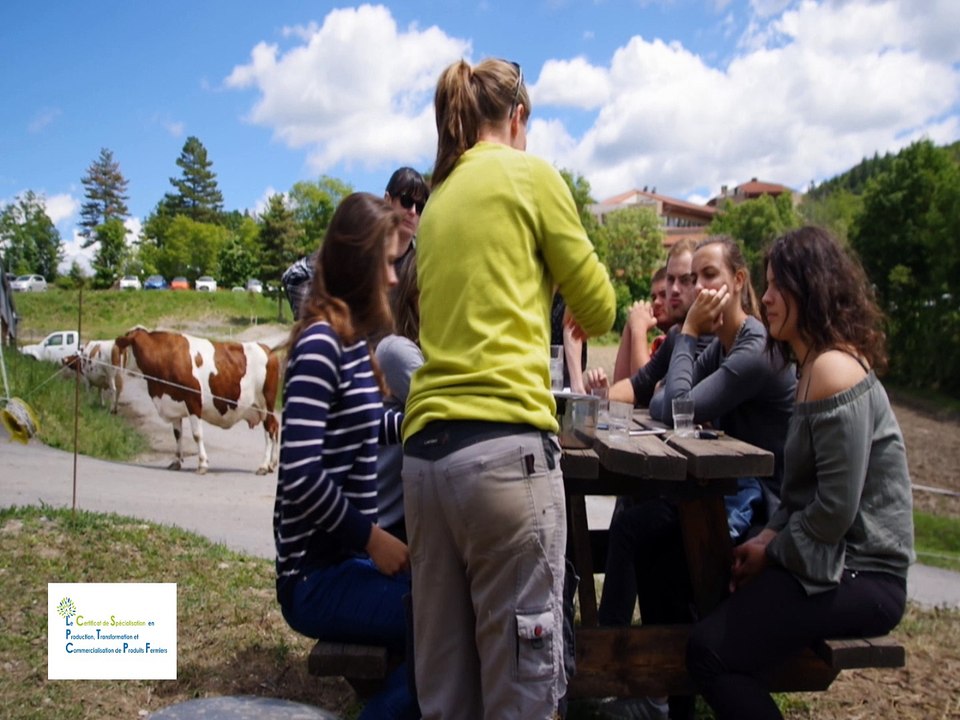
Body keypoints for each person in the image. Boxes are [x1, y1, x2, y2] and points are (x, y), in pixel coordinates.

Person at [401, 58, 616, 719]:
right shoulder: (532, 175)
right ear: (519, 117)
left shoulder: (437, 201)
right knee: (521, 694)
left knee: (446, 691)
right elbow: (601, 308)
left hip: (426, 464)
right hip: (504, 460)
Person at [686, 226, 915, 720]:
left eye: (776, 286)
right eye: (765, 284)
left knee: (709, 652)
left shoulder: (834, 369)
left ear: (809, 289)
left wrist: (772, 554)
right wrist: (767, 538)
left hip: (865, 576)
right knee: (708, 606)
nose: (764, 298)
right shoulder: (809, 366)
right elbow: (798, 495)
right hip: (832, 563)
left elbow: (833, 510)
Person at [595, 236, 796, 720]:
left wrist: (685, 332)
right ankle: (655, 689)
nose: (699, 286)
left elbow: (675, 410)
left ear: (738, 282)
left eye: (710, 276)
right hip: (726, 493)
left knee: (648, 533)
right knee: (638, 526)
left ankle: (658, 690)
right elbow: (665, 404)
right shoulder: (726, 345)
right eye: (693, 277)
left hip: (768, 511)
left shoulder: (756, 349)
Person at [273, 192, 417, 720]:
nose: (395, 278)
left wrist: (417, 425)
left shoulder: (353, 344)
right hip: (315, 577)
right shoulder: (320, 345)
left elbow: (359, 426)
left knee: (450, 604)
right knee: (445, 630)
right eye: (386, 262)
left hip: (347, 561)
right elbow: (300, 476)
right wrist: (371, 538)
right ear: (360, 265)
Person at [282, 167, 429, 320]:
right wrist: (317, 323)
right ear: (387, 199)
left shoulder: (421, 264)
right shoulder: (360, 247)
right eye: (407, 201)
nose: (413, 212)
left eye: (420, 207)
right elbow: (295, 274)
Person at [375, 254, 423, 542]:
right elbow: (446, 411)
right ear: (411, 296)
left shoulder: (430, 352)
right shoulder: (397, 351)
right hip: (386, 529)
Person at [611, 266, 671, 383]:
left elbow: (644, 388)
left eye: (663, 295)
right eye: (654, 297)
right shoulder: (659, 344)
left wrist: (639, 329)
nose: (656, 302)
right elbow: (622, 384)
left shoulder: (683, 342)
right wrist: (630, 325)